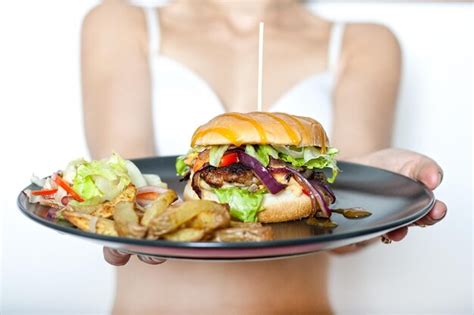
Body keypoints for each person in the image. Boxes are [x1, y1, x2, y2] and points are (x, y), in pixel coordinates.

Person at [81, 1, 447, 313]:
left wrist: (383, 191)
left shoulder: (367, 42)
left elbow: (346, 221)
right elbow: (131, 179)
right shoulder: (117, 21)